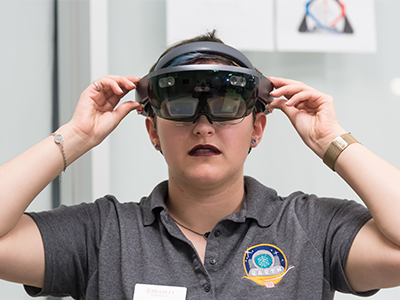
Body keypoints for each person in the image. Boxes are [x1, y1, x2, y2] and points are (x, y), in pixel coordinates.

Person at [0, 31, 399, 300]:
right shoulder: (104, 234)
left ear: (257, 128)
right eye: (182, 107)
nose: (204, 126)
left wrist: (331, 142)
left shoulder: (310, 227)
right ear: (152, 132)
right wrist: (76, 136)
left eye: (225, 107)